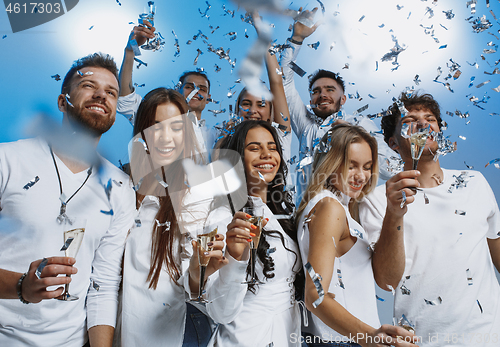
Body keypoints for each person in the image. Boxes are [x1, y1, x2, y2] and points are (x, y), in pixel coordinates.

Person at [0, 53, 136, 347]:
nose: (101, 94)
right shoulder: (6, 160)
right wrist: (22, 286)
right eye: (88, 85)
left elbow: (104, 284)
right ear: (63, 102)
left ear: (114, 112)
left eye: (111, 92)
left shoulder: (122, 187)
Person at [359, 92, 500, 346]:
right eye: (411, 119)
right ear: (393, 142)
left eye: (430, 118)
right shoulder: (377, 200)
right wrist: (394, 212)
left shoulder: (475, 182)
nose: (424, 124)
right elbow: (387, 282)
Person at [116, 88, 227, 347]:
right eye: (156, 127)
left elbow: (191, 283)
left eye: (176, 127)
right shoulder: (121, 188)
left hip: (170, 330)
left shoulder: (194, 198)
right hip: (117, 326)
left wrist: (202, 269)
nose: (166, 137)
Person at [296, 124, 417, 347]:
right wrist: (369, 336)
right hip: (342, 342)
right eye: (351, 166)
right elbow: (315, 296)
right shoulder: (330, 208)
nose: (361, 176)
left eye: (367, 167)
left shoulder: (331, 207)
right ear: (330, 162)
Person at [280, 7, 395, 204]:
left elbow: (391, 169)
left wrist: (356, 137)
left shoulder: (360, 123)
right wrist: (296, 39)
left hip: (349, 219)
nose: (322, 94)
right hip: (306, 217)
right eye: (316, 91)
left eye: (330, 90)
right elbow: (284, 81)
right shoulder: (306, 126)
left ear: (343, 99)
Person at [205, 120, 302, 347]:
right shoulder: (222, 217)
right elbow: (220, 312)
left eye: (272, 147)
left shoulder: (284, 211)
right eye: (255, 148)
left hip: (288, 335)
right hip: (246, 338)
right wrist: (236, 258)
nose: (267, 155)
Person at [117, 21, 216, 152]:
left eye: (202, 89)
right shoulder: (154, 114)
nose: (195, 92)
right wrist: (130, 51)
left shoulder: (214, 136)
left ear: (208, 98)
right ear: (177, 90)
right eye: (189, 87)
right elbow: (125, 98)